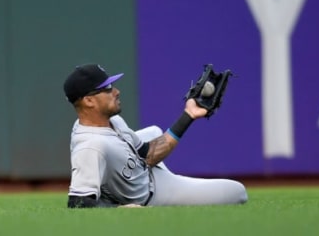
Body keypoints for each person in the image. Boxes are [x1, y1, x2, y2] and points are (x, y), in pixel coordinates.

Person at [63, 63, 248, 208]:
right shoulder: (91, 147)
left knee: (153, 131)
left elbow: (148, 154)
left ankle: (110, 188)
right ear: (88, 101)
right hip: (153, 194)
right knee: (238, 192)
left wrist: (189, 115)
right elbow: (78, 202)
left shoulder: (114, 121)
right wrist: (119, 209)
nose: (116, 91)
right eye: (108, 88)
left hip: (146, 171)